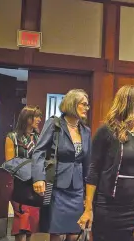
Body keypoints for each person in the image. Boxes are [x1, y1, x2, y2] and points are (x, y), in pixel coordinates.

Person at [78, 85, 134, 241]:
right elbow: (94, 171)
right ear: (126, 102)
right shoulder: (106, 131)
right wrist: (88, 208)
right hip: (108, 208)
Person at [31, 89, 91, 241]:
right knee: (56, 232)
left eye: (88, 105)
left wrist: (88, 193)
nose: (87, 108)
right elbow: (38, 151)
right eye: (83, 104)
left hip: (77, 190)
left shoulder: (86, 131)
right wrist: (38, 177)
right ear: (72, 104)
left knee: (74, 232)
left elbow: (87, 162)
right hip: (57, 186)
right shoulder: (54, 124)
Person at [5, 106, 42, 241]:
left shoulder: (39, 138)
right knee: (22, 221)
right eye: (36, 116)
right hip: (20, 184)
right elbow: (10, 163)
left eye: (39, 116)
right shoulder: (13, 137)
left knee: (31, 222)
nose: (39, 119)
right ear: (26, 118)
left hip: (36, 185)